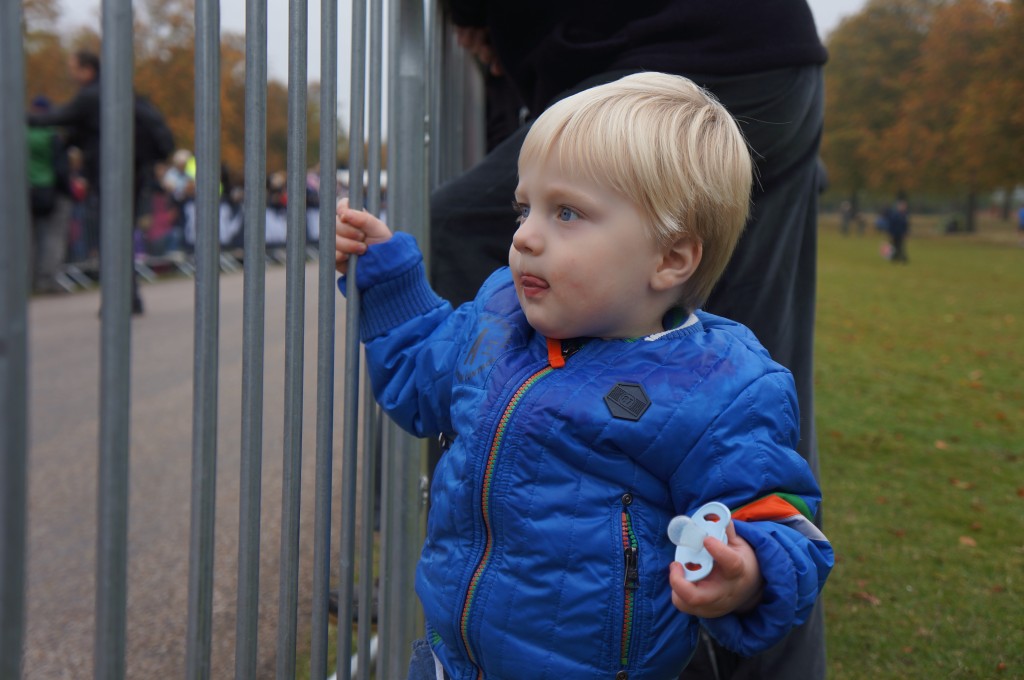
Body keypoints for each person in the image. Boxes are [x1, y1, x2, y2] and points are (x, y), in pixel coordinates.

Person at [335, 73, 833, 680]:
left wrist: (749, 571)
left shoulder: (718, 386)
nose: (525, 236)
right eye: (525, 208)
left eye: (566, 212)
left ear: (671, 257)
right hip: (450, 661)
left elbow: (780, 516)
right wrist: (390, 279)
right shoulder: (499, 321)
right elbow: (420, 377)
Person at [28, 49, 145, 314]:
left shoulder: (93, 95)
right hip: (127, 171)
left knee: (112, 236)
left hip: (112, 175)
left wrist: (22, 117)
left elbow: (57, 117)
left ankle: (119, 299)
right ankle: (129, 297)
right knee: (120, 236)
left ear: (87, 69)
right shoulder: (110, 92)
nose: (72, 74)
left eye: (74, 68)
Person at [27, 95, 72, 294]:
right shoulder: (51, 134)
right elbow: (60, 166)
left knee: (28, 238)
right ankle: (47, 279)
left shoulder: (20, 133)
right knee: (53, 236)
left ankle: (27, 279)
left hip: (25, 189)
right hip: (50, 188)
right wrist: (67, 189)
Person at [885, 199, 910, 263]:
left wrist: (906, 232)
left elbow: (905, 225)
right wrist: (890, 233)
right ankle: (895, 257)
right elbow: (891, 224)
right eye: (902, 206)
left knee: (900, 246)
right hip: (894, 233)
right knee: (894, 246)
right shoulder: (895, 215)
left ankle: (900, 257)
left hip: (901, 233)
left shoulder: (904, 215)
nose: (904, 208)